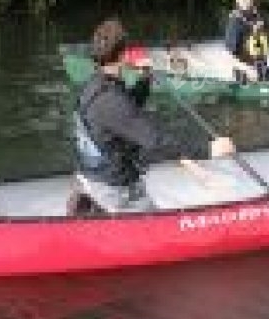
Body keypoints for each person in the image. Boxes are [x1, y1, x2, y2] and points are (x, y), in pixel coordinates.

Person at [69, 18, 235, 214]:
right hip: (115, 189)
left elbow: (127, 109)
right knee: (154, 218)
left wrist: (145, 79)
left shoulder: (96, 86)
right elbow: (155, 141)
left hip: (96, 175)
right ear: (123, 55)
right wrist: (209, 149)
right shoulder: (110, 100)